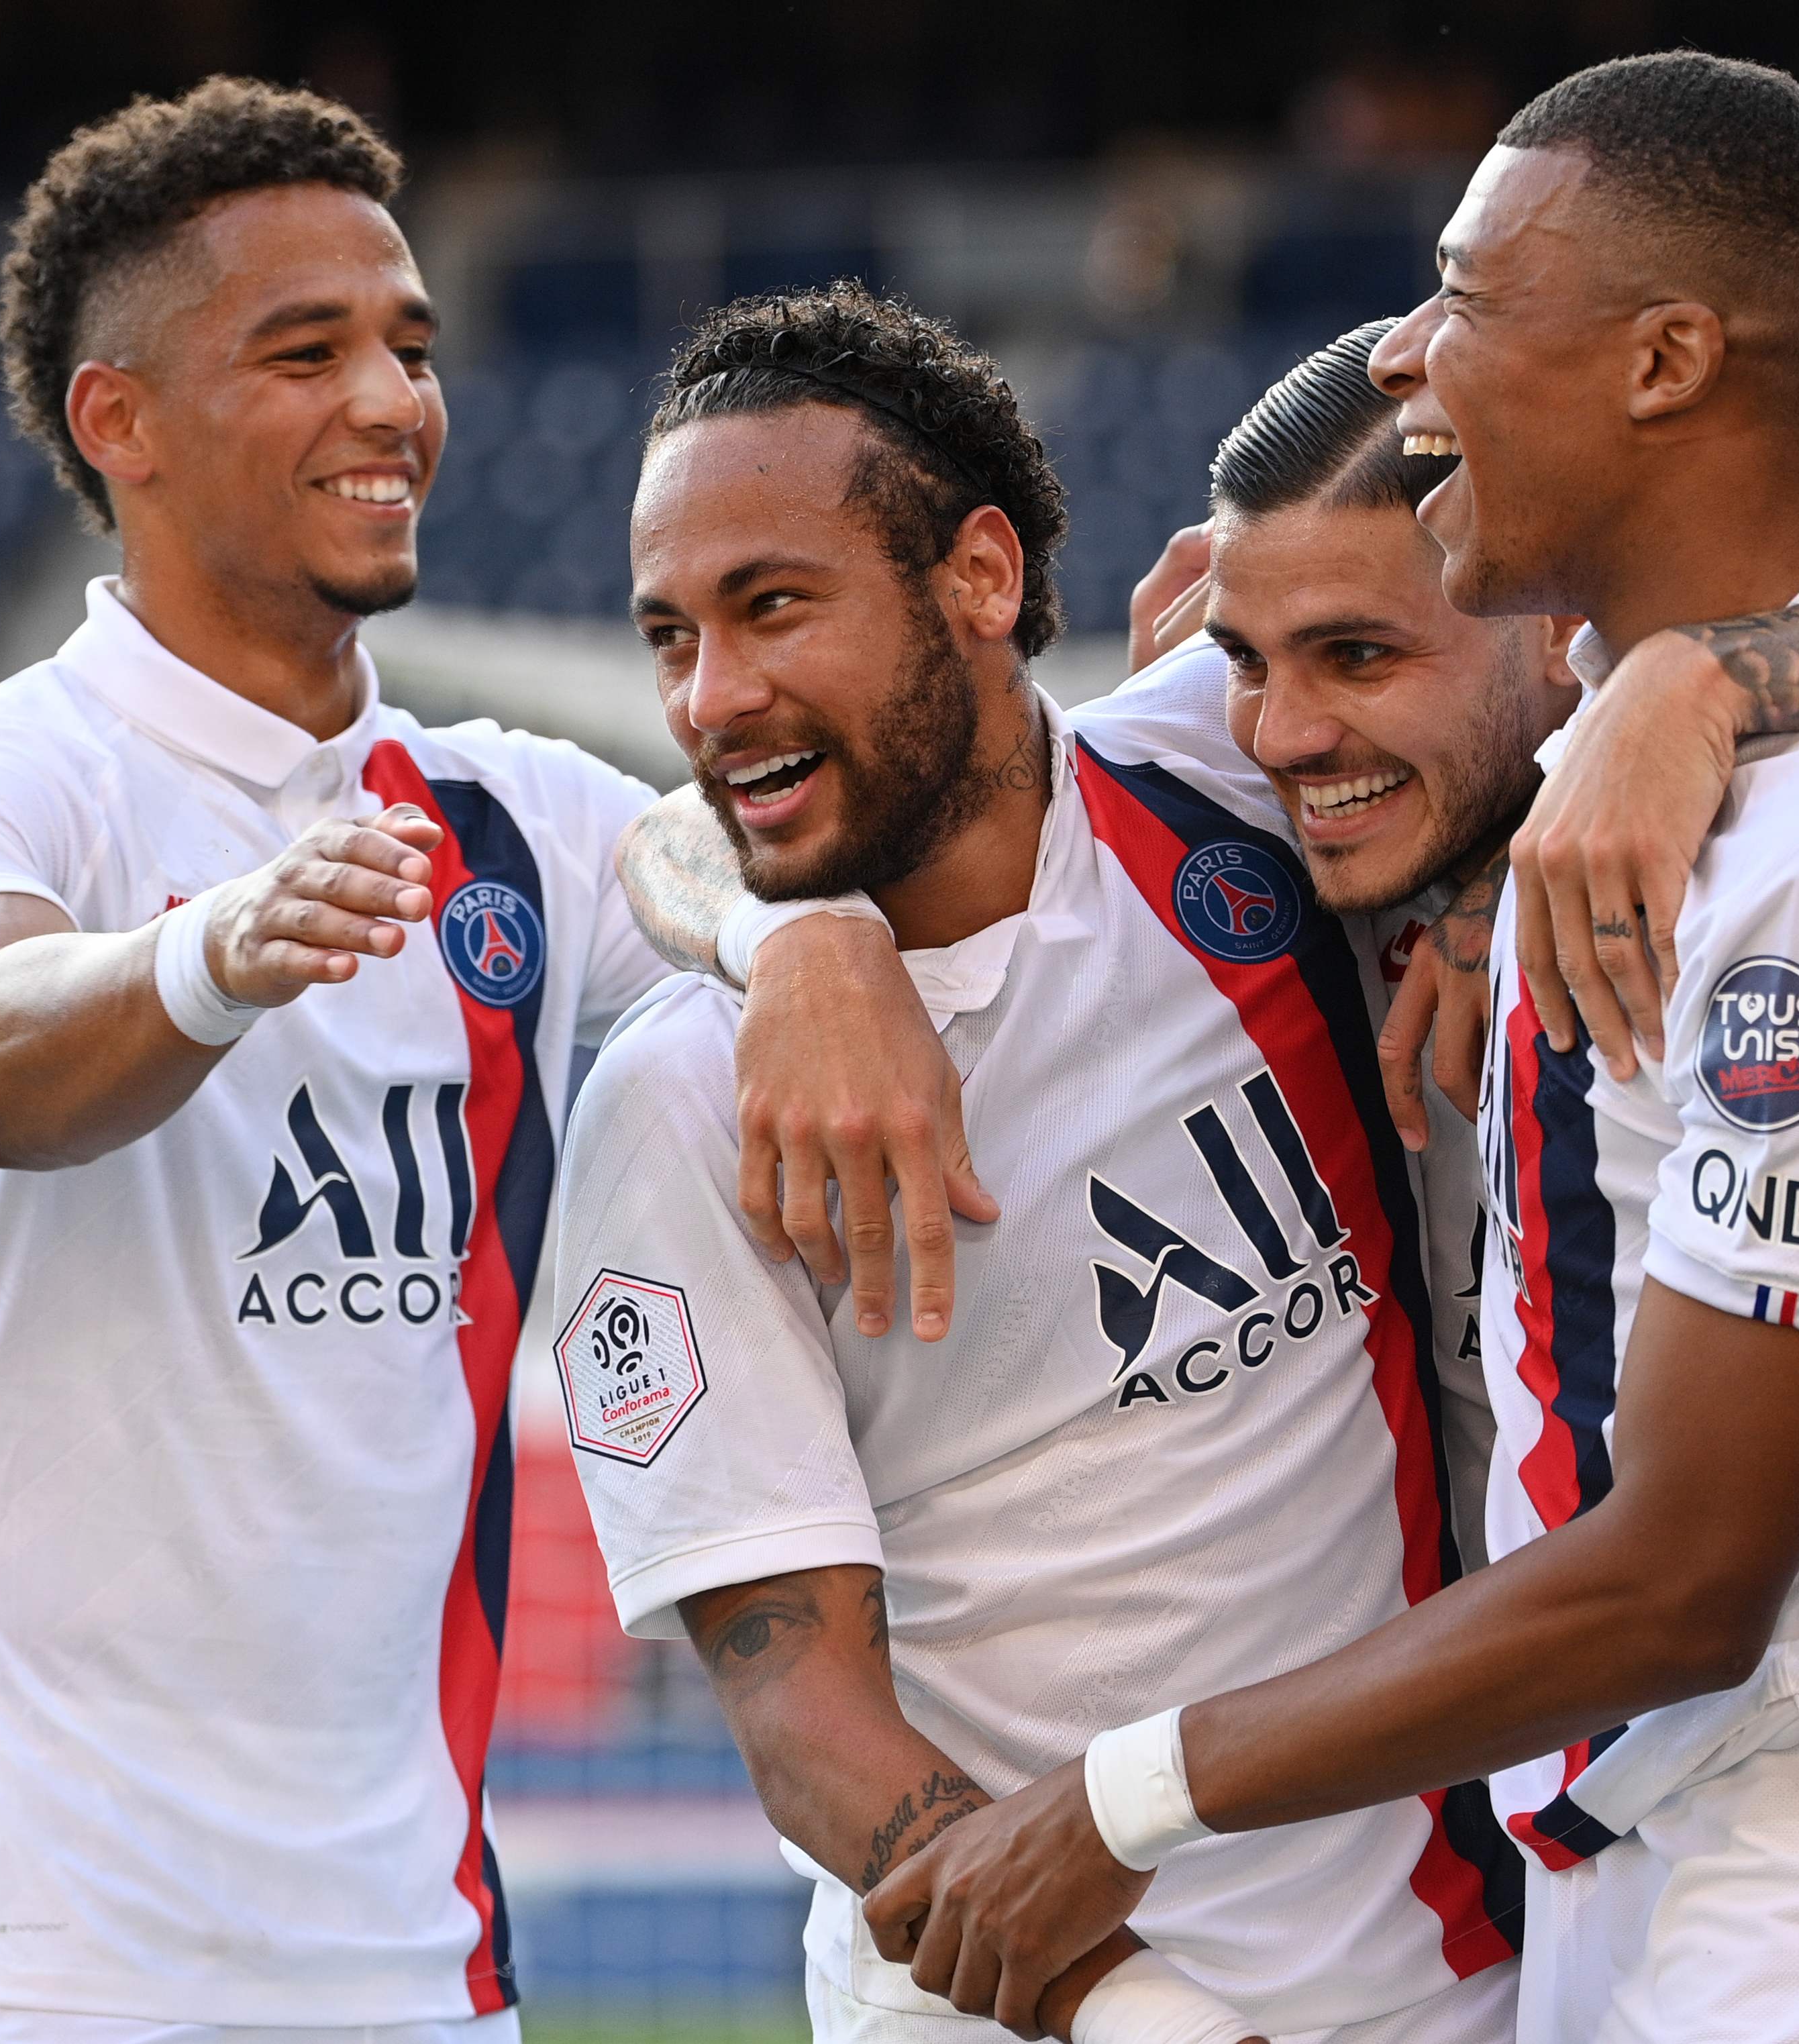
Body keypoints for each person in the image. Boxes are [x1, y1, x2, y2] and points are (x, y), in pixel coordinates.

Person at [860, 55, 1799, 2044]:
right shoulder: (1554, 707)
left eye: (1467, 300)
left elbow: (1689, 1577)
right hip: (1693, 1815)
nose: (1409, 366)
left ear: (1666, 363)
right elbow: (834, 780)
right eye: (1255, 669)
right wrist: (809, 945)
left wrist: (1123, 1804)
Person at [0, 82, 943, 2044]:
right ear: (121, 421)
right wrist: (211, 955)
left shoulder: (503, 818)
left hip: (416, 1962)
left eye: (411, 346)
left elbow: (753, 864)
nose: (393, 402)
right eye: (305, 351)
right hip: (39, 1958)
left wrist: (807, 936)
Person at [560, 282, 1525, 2044]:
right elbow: (804, 1722)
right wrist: (1147, 2017)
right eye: (670, 636)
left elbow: (1499, 619)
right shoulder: (683, 1105)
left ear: (982, 579)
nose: (716, 692)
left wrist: (1517, 844)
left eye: (775, 607)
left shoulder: (1242, 783)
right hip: (1059, 2016)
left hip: (1453, 1979)